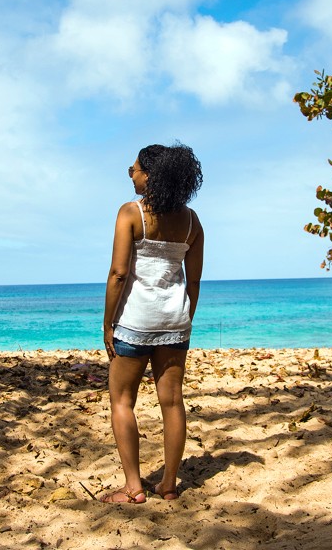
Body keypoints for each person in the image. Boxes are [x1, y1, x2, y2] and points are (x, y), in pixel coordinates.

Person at [101, 143, 204, 504]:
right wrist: (184, 319)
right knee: (172, 403)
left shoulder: (131, 213)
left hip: (134, 321)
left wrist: (107, 323)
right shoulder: (192, 221)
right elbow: (192, 282)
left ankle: (133, 488)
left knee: (122, 402)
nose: (131, 173)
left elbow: (118, 274)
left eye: (135, 169)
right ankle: (169, 485)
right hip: (175, 321)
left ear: (151, 175)